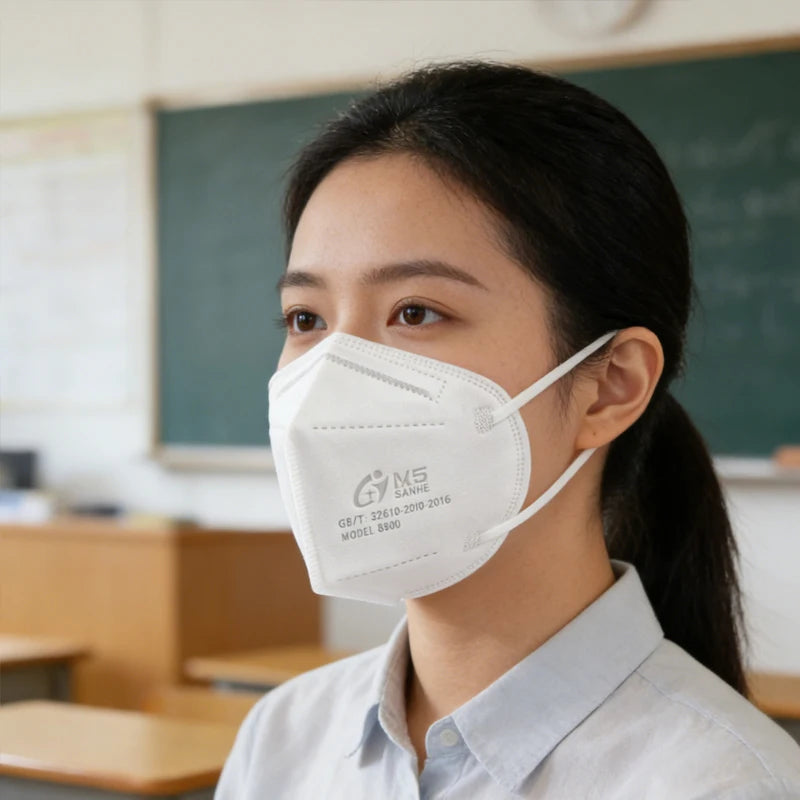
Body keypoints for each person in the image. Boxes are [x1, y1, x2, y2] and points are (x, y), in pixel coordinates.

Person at [216, 61, 800, 799]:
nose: (334, 377)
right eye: (306, 319)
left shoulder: (721, 783)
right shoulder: (282, 739)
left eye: (416, 312)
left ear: (609, 386)